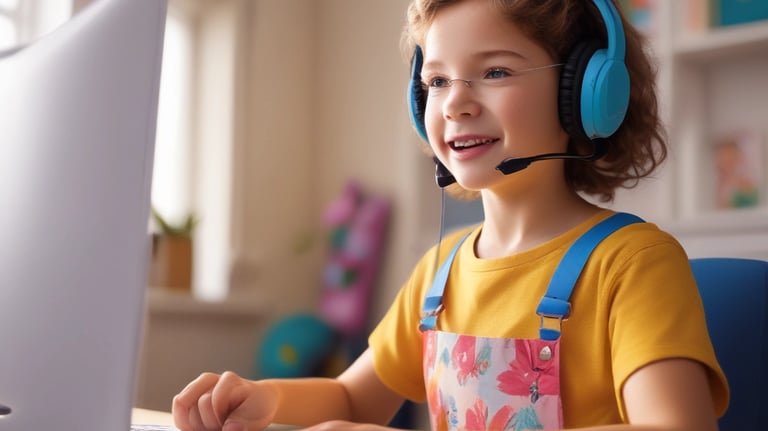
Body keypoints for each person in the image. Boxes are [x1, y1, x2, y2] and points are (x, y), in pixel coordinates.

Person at [171, 0, 729, 430]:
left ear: (583, 94)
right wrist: (263, 398)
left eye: (495, 72)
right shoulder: (441, 270)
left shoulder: (633, 264)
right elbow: (351, 397)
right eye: (436, 81)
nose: (455, 101)